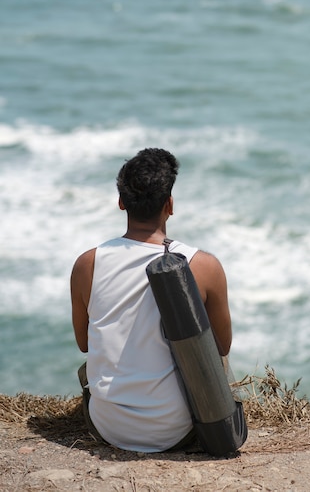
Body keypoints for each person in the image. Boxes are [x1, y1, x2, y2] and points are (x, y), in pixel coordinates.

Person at [70, 148, 232, 452]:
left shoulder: (87, 264)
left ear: (121, 203)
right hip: (176, 431)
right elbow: (222, 348)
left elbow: (84, 344)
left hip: (108, 427)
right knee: (214, 349)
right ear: (170, 205)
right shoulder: (203, 265)